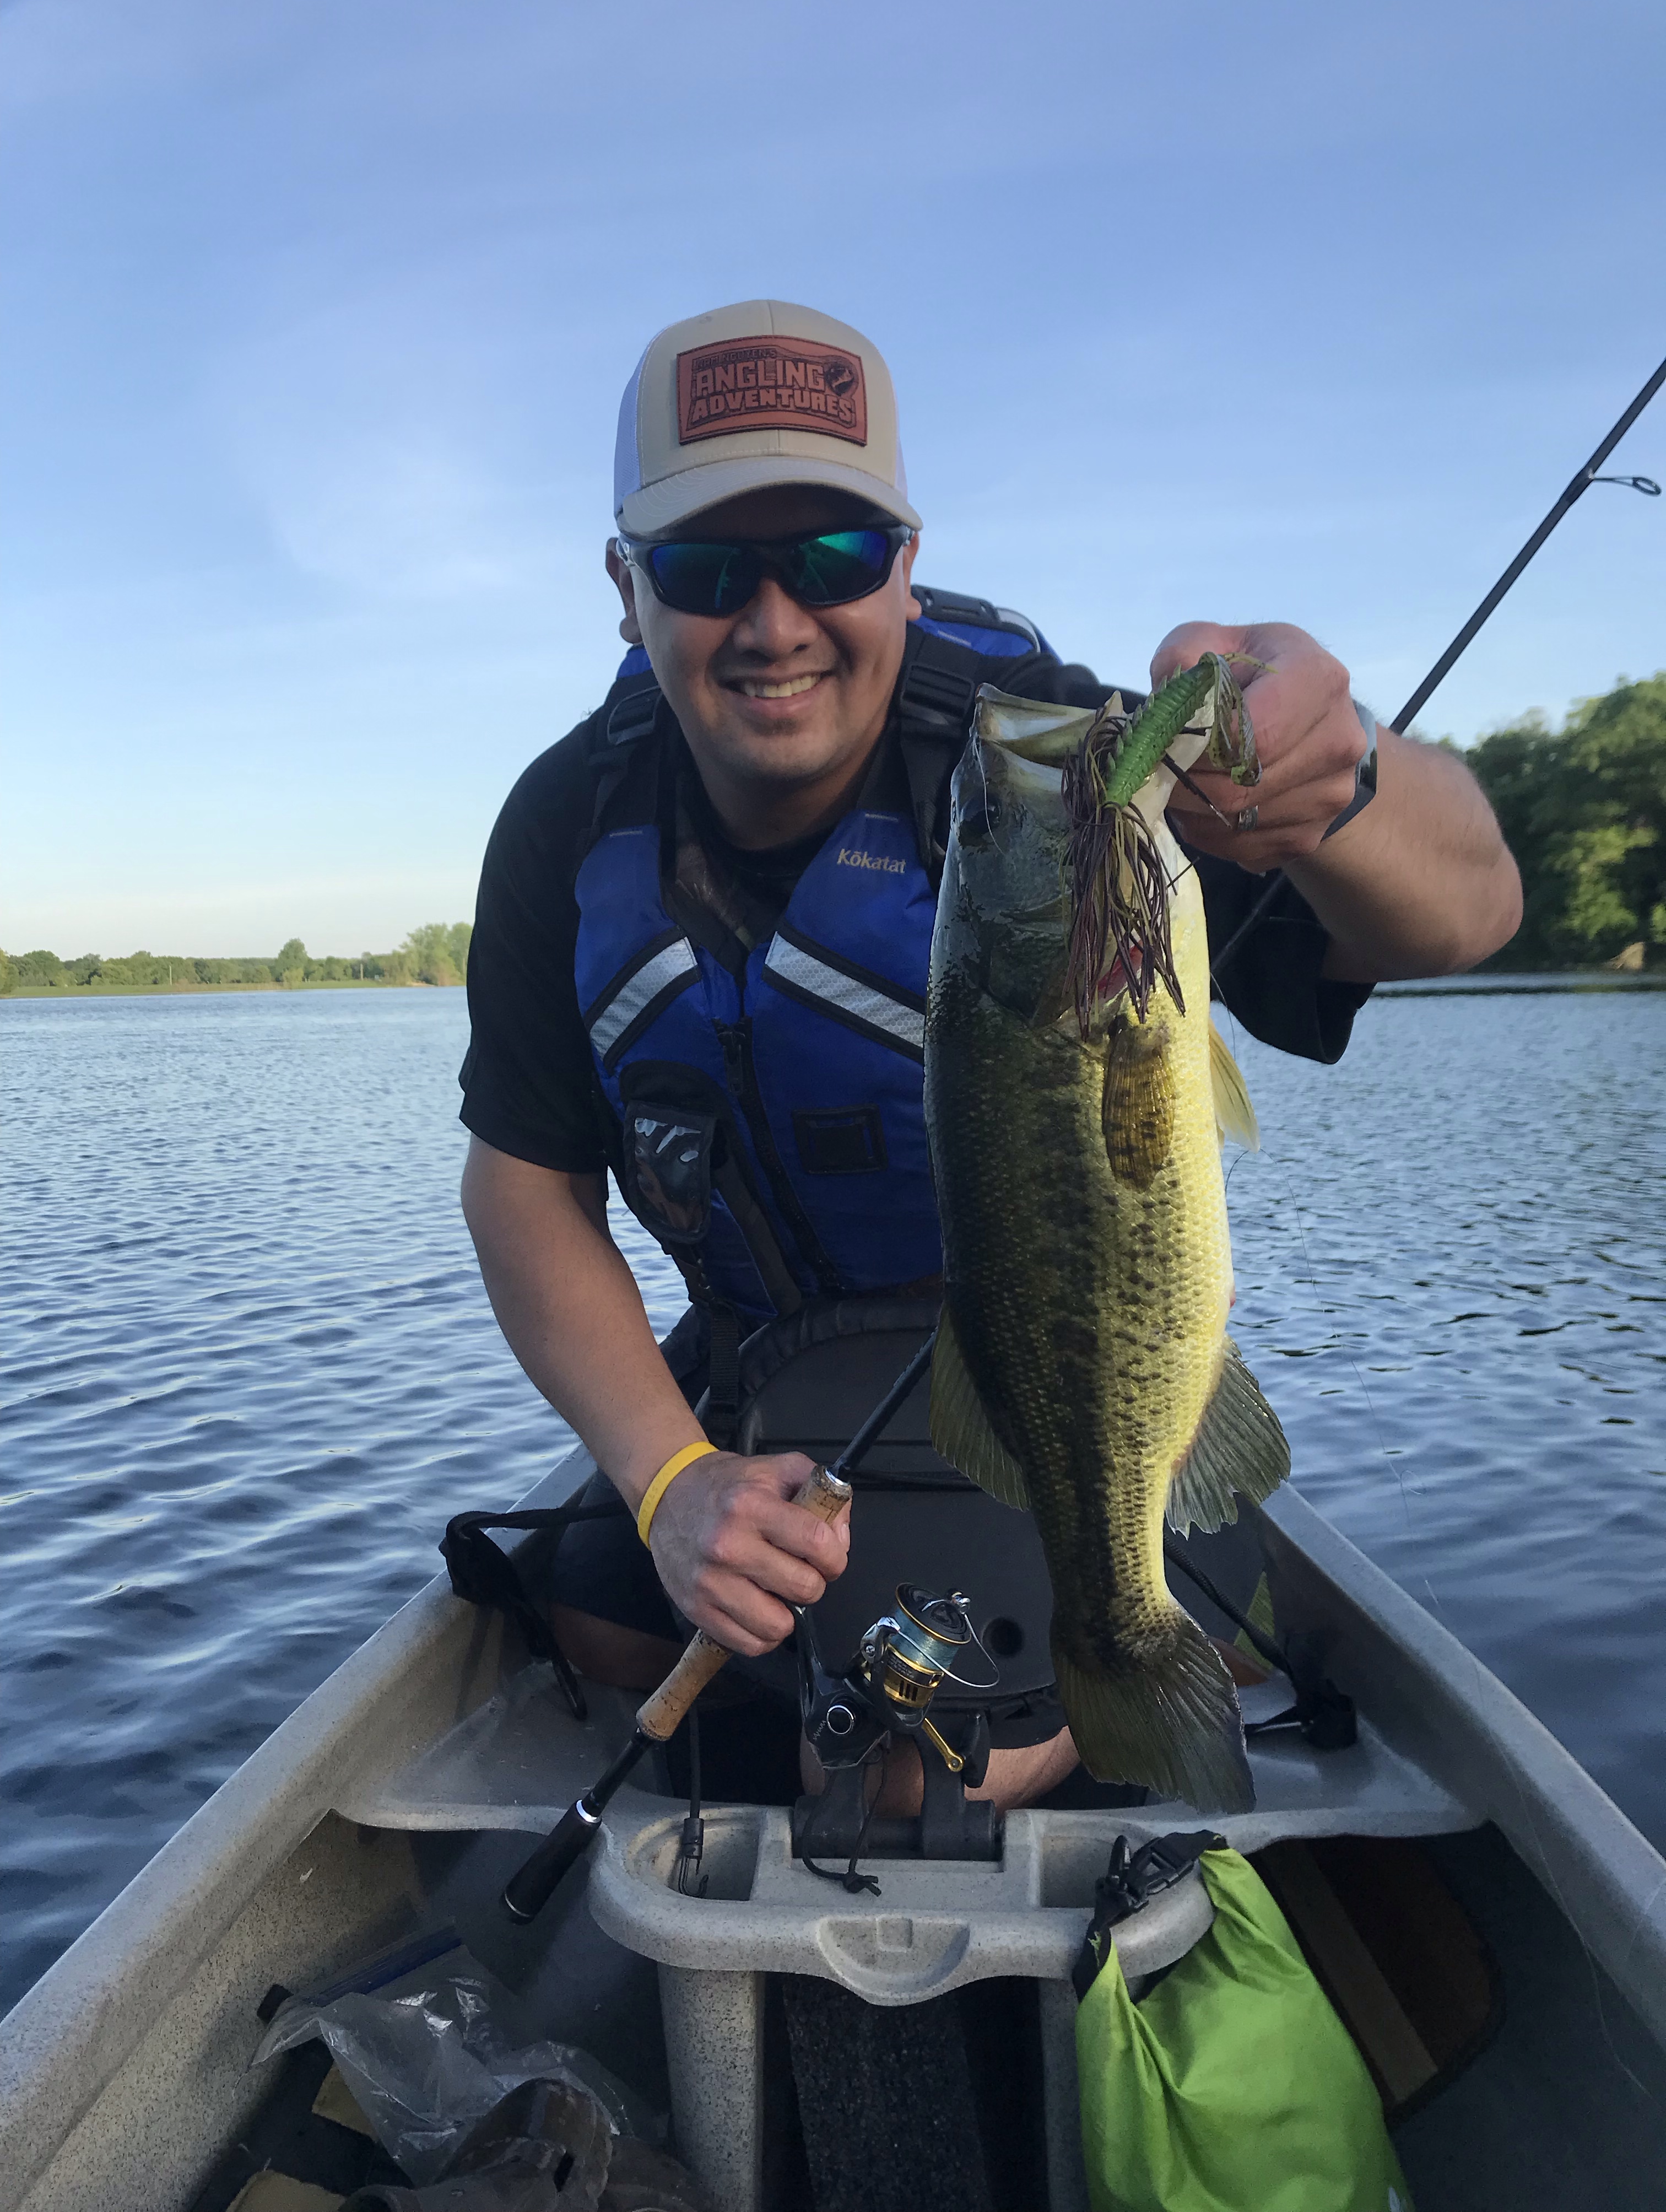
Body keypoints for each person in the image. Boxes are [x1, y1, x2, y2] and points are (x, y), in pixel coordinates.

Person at [458, 300, 1521, 1812]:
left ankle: (1127, 1661)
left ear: (906, 562)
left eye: (834, 553)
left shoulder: (1065, 780)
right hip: (760, 1353)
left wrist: (1337, 789)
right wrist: (672, 1482)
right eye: (706, 568)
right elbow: (523, 1185)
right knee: (585, 1627)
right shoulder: (569, 820)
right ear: (628, 591)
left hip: (1054, 1364)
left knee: (923, 1769)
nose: (775, 623)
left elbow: (1474, 908)